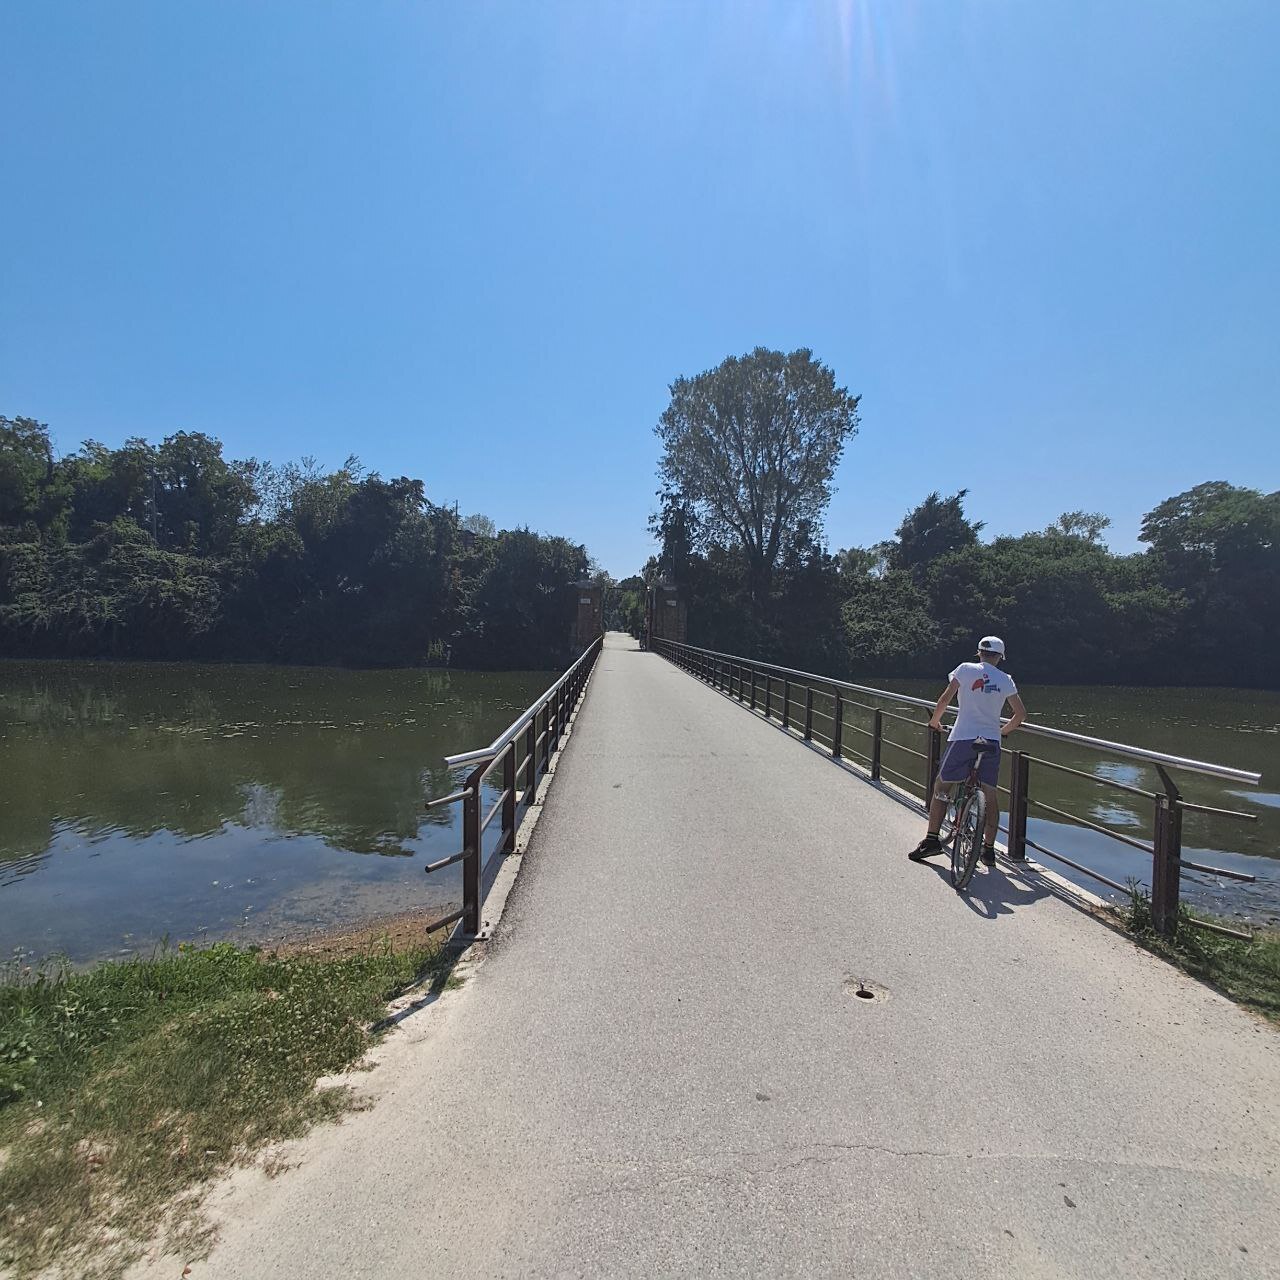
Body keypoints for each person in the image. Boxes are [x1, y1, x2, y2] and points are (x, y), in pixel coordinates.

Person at [909, 635, 1026, 867]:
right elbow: (1020, 714)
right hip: (991, 741)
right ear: (1000, 657)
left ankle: (932, 840)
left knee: (942, 786)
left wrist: (934, 722)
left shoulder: (964, 669)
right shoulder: (1005, 679)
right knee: (990, 794)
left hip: (963, 737)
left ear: (978, 653)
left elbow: (944, 699)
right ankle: (989, 850)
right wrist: (1002, 732)